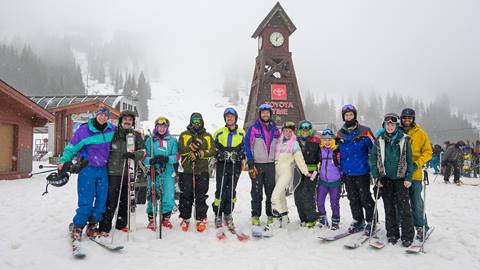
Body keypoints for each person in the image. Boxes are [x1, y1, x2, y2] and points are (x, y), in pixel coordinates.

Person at [58, 107, 116, 240]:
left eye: (105, 116)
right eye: (100, 115)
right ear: (96, 115)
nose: (103, 118)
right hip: (87, 169)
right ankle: (78, 226)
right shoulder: (84, 130)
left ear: (108, 117)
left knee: (102, 200)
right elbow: (71, 147)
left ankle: (92, 225)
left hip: (103, 169)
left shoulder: (111, 129)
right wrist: (63, 161)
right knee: (86, 200)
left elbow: (123, 136)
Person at [370, 113, 415, 247]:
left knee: (404, 209)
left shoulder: (404, 140)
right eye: (388, 124)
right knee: (389, 208)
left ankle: (407, 236)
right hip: (385, 179)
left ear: (396, 126)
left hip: (401, 179)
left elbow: (409, 161)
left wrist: (408, 178)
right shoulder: (379, 140)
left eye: (393, 124)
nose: (390, 126)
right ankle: (392, 233)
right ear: (384, 125)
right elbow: (373, 159)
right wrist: (376, 176)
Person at [98, 110, 145, 236]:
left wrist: (134, 155)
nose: (127, 122)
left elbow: (143, 151)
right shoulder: (113, 133)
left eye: (130, 120)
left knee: (126, 199)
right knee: (111, 200)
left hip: (128, 172)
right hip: (113, 171)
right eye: (125, 119)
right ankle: (104, 226)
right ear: (120, 121)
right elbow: (103, 147)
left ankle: (121, 224)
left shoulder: (136, 135)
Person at [336, 104, 376, 235]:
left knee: (365, 197)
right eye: (346, 115)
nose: (349, 117)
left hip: (362, 171)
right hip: (347, 172)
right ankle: (358, 220)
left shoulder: (365, 130)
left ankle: (371, 221)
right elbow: (337, 151)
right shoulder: (340, 133)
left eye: (351, 114)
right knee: (352, 198)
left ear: (355, 116)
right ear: (344, 117)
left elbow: (375, 150)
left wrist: (375, 167)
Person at [177, 113, 215, 232]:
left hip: (202, 169)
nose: (196, 123)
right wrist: (191, 148)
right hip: (187, 169)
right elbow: (181, 149)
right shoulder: (184, 135)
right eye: (194, 120)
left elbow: (213, 150)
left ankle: (201, 218)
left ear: (202, 121)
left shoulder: (207, 136)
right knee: (186, 194)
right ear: (191, 121)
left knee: (201, 194)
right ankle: (185, 217)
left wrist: (200, 153)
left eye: (199, 120)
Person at [245, 103, 280, 228]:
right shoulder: (253, 128)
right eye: (263, 112)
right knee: (256, 192)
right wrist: (250, 162)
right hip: (257, 165)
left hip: (271, 165)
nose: (265, 114)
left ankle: (270, 215)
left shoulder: (275, 129)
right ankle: (255, 216)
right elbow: (247, 145)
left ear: (270, 114)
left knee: (271, 192)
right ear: (260, 114)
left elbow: (281, 146)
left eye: (267, 112)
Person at [400, 108, 433, 241]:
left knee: (416, 202)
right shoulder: (397, 132)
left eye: (409, 118)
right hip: (400, 173)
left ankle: (421, 226)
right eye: (405, 118)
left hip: (415, 174)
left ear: (413, 119)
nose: (407, 120)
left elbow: (428, 152)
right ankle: (400, 224)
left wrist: (418, 163)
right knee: (400, 201)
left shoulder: (420, 133)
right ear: (401, 119)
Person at [270, 121, 311, 228]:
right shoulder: (278, 142)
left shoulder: (294, 143)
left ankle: (275, 220)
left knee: (274, 197)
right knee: (281, 196)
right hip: (277, 172)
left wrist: (305, 172)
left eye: (289, 131)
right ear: (282, 131)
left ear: (292, 132)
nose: (287, 133)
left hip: (286, 173)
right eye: (285, 131)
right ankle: (284, 217)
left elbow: (299, 159)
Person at [212, 107, 246, 231]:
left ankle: (228, 213)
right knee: (220, 188)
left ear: (235, 118)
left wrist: (240, 155)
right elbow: (213, 147)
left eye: (232, 116)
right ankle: (218, 214)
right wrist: (219, 154)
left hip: (234, 164)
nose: (229, 118)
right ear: (225, 119)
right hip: (222, 163)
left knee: (231, 189)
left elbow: (245, 147)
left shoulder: (242, 133)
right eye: (227, 116)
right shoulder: (219, 132)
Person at [144, 117, 178, 230]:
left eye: (164, 126)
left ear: (167, 127)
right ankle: (152, 218)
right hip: (154, 170)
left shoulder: (172, 140)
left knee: (168, 194)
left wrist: (167, 159)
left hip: (167, 170)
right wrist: (151, 161)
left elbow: (176, 156)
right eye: (159, 126)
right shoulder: (150, 140)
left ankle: (166, 218)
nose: (162, 129)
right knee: (152, 193)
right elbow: (145, 157)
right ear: (156, 127)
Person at [294, 120, 320, 228]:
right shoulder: (295, 141)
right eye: (302, 130)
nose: (304, 132)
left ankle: (312, 218)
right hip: (300, 173)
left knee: (307, 193)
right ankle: (303, 218)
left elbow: (321, 156)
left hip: (313, 172)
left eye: (307, 130)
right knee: (298, 194)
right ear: (299, 131)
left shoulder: (315, 141)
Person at [316, 129, 342, 231]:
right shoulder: (320, 150)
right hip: (322, 181)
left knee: (334, 203)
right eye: (325, 140)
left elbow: (342, 164)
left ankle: (335, 221)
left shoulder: (337, 151)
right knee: (319, 201)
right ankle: (323, 219)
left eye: (329, 140)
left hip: (335, 182)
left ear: (333, 140)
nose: (327, 142)